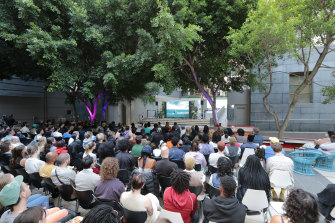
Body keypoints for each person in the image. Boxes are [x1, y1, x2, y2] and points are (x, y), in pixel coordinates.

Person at [0, 176, 70, 223]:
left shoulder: (5, 214)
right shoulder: (28, 218)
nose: (28, 186)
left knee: (57, 209)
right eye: (26, 186)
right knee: (64, 211)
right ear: (23, 194)